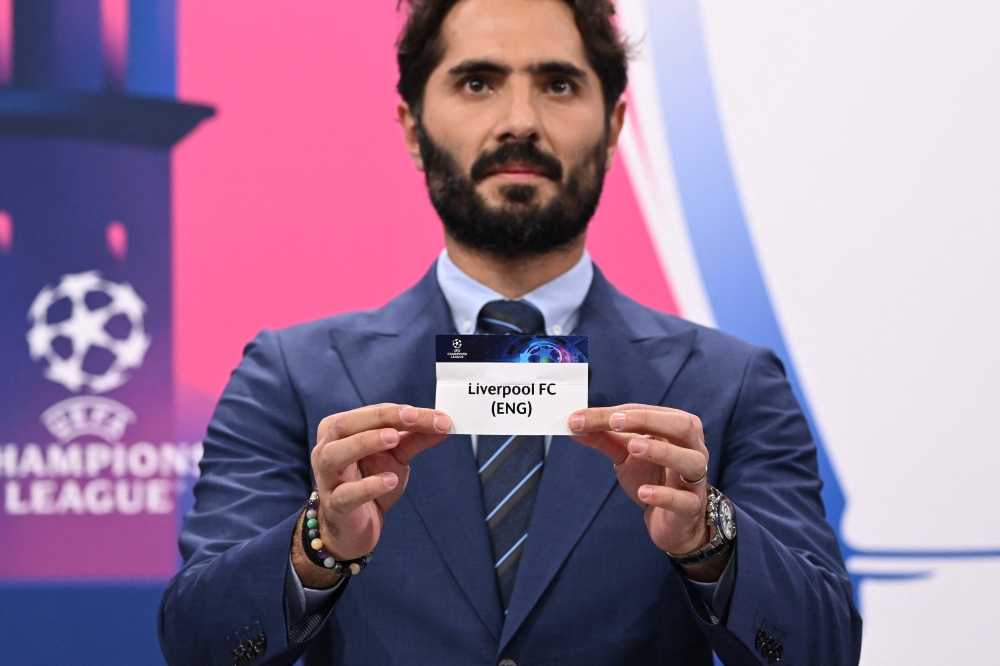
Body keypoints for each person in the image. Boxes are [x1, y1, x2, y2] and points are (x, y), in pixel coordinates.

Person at [159, 0, 862, 664]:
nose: (520, 121)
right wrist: (319, 546)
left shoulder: (732, 384)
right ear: (411, 126)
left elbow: (825, 647)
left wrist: (710, 539)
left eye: (558, 84)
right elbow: (198, 641)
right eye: (477, 82)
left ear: (616, 126)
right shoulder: (290, 376)